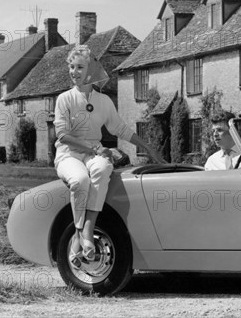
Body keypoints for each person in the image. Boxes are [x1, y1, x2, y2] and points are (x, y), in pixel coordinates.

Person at [54, 44, 163, 269]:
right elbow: (62, 136)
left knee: (102, 169)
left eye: (79, 67)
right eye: (71, 67)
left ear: (91, 70)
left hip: (94, 152)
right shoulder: (64, 99)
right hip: (69, 155)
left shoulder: (103, 101)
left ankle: (87, 230)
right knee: (80, 180)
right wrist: (95, 150)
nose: (74, 72)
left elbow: (121, 129)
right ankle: (78, 236)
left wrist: (149, 148)